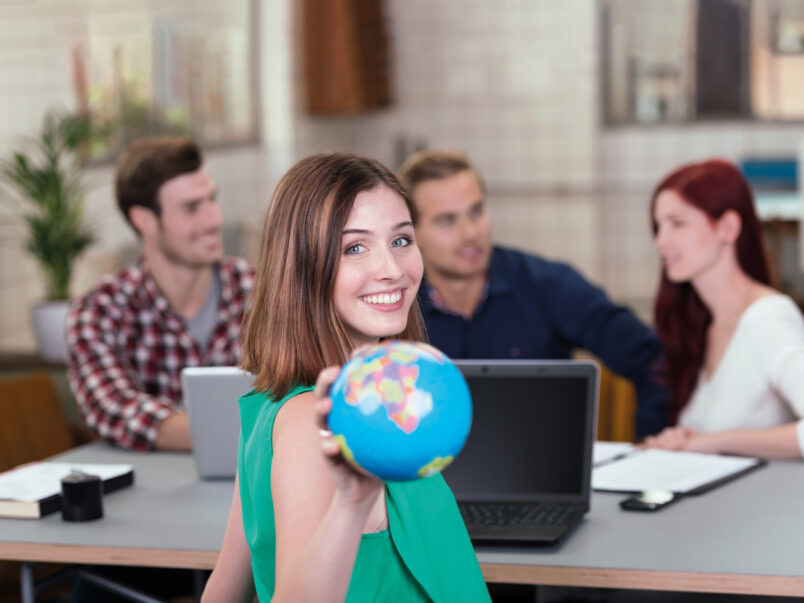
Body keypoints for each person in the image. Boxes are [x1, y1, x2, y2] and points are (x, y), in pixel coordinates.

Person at [202, 153, 490, 602]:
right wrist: (351, 506)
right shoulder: (308, 425)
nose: (392, 269)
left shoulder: (298, 407)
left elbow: (225, 587)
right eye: (355, 247)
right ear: (304, 267)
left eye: (401, 240)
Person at [398, 149, 669, 439]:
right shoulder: (395, 306)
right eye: (447, 221)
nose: (470, 233)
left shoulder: (547, 283)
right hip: (427, 478)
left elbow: (654, 360)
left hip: (542, 477)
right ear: (414, 234)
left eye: (476, 212)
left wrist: (650, 445)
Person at [66, 136, 254, 451]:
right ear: (144, 220)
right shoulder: (100, 312)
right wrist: (262, 425)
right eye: (192, 208)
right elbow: (116, 411)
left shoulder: (263, 293)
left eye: (212, 199)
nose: (215, 219)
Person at [643, 158, 804, 459]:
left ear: (727, 228)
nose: (661, 241)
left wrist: (711, 442)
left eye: (677, 224)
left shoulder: (769, 319)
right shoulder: (702, 324)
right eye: (658, 226)